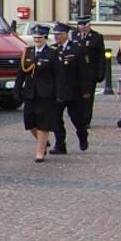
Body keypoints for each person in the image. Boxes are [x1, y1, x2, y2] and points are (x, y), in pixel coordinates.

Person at [15, 24, 61, 162]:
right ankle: (43, 141)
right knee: (29, 121)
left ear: (45, 38)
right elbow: (21, 73)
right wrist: (17, 88)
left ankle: (40, 151)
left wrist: (59, 94)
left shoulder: (52, 53)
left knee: (43, 122)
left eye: (40, 38)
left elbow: (58, 75)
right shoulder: (28, 52)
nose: (37, 40)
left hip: (46, 93)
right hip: (30, 92)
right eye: (35, 37)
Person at [66, 17, 106, 146]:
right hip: (75, 72)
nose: (82, 28)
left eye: (84, 25)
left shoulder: (96, 37)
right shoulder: (74, 35)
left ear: (89, 25)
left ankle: (86, 119)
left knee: (88, 97)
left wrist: (101, 73)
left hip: (90, 71)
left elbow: (101, 56)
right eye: (79, 25)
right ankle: (79, 117)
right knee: (77, 96)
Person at [47, 25, 80, 156]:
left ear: (66, 34)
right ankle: (60, 145)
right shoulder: (53, 49)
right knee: (56, 119)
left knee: (77, 118)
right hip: (57, 91)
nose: (57, 37)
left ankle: (82, 135)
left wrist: (85, 90)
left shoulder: (76, 49)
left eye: (59, 34)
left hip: (73, 90)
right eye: (55, 35)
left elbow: (83, 71)